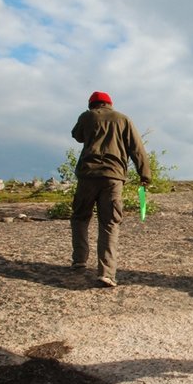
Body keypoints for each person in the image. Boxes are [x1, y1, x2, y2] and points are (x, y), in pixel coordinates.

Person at [70, 91, 151, 288]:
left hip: (87, 176)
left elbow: (77, 136)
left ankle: (79, 259)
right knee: (110, 223)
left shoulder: (86, 116)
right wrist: (145, 174)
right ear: (110, 104)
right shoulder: (123, 119)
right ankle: (106, 273)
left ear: (92, 105)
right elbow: (136, 147)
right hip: (113, 178)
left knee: (80, 217)